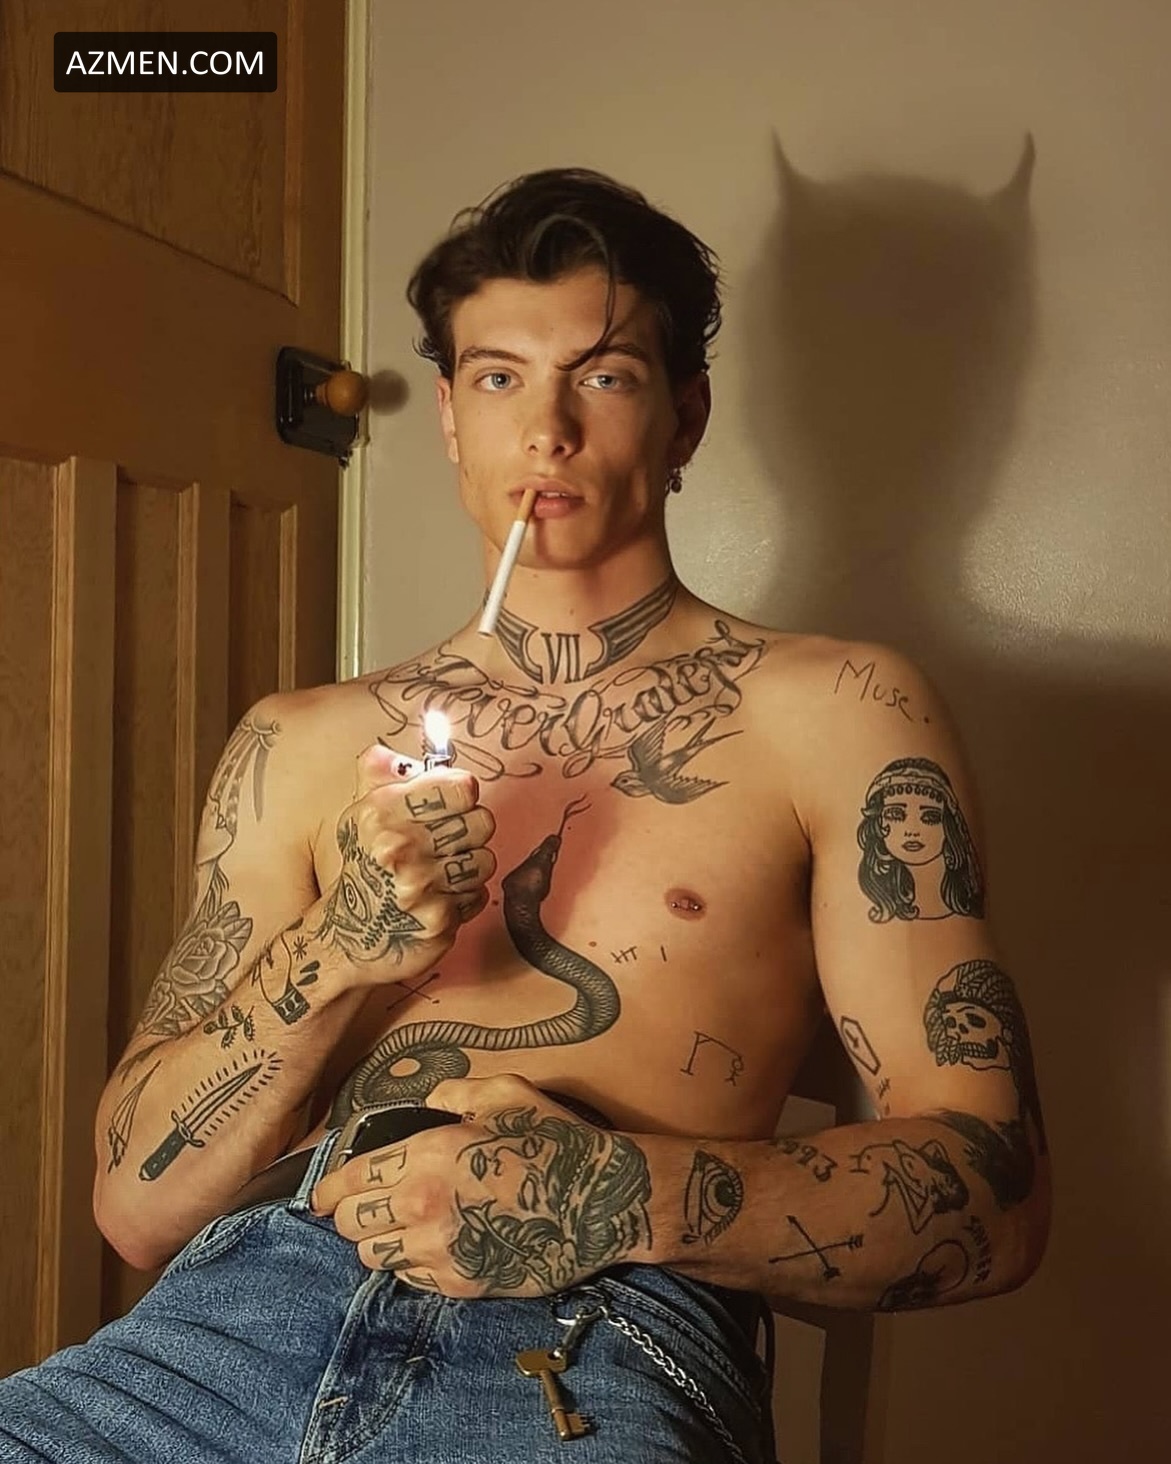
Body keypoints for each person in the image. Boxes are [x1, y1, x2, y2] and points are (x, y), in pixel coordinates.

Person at [0, 168, 1049, 1463]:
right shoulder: (302, 740)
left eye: (602, 375)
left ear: (684, 416)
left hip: (599, 1337)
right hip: (247, 1312)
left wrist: (610, 1197)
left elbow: (996, 1193)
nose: (545, 430)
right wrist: (338, 951)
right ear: (447, 414)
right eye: (498, 376)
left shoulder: (840, 711)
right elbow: (136, 1208)